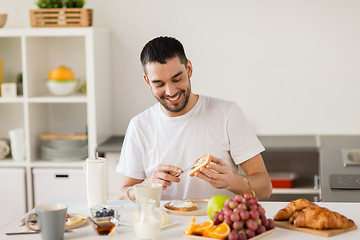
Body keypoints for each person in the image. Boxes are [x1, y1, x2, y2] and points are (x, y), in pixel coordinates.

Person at [117, 36, 272, 200]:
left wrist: (232, 181)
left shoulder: (228, 114)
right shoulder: (139, 126)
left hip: (218, 224)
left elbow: (265, 188)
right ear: (147, 81)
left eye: (177, 79)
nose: (170, 92)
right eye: (159, 84)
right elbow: (121, 195)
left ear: (189, 69)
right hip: (164, 225)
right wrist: (147, 186)